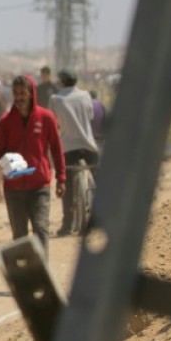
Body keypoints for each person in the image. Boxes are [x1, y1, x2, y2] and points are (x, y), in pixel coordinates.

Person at [0, 76, 66, 256]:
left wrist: (61, 178)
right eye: (16, 93)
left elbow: (57, 149)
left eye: (23, 93)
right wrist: (9, 165)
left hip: (39, 186)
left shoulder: (46, 118)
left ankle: (43, 275)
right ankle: (25, 277)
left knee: (41, 230)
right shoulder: (5, 122)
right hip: (13, 188)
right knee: (19, 237)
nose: (19, 97)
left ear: (31, 93)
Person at [49, 68, 99, 236]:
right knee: (100, 182)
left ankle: (67, 226)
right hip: (88, 145)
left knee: (67, 189)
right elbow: (90, 116)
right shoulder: (85, 95)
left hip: (68, 147)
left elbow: (53, 121)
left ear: (61, 81)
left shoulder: (55, 99)